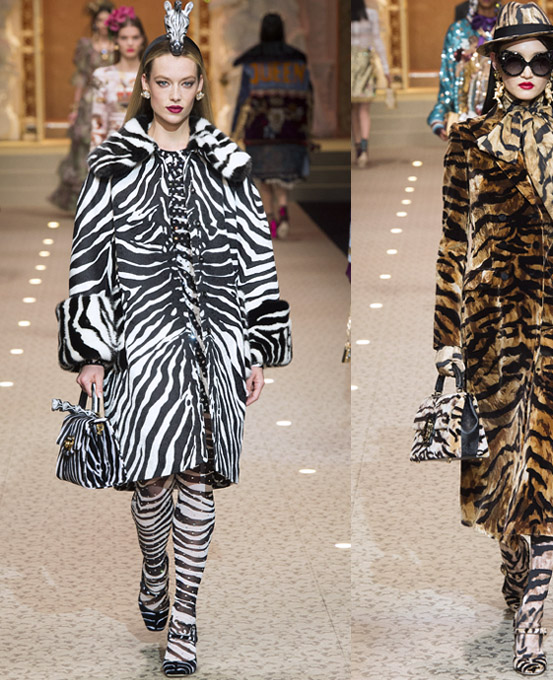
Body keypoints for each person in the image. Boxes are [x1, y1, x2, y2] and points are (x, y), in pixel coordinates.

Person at [56, 2, 292, 675]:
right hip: (142, 343)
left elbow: (255, 255)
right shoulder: (114, 162)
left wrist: (256, 344)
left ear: (199, 87)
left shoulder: (228, 162)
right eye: (163, 82)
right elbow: (88, 257)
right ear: (145, 84)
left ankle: (184, 618)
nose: (175, 95)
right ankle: (155, 566)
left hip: (215, 340)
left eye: (187, 83)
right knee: (150, 484)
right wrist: (91, 351)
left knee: (198, 477)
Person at [433, 3, 553, 675]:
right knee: (499, 467)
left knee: (548, 460)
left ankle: (531, 622)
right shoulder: (470, 140)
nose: (527, 71)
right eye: (514, 58)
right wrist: (444, 339)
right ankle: (514, 564)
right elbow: (451, 244)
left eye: (540, 60)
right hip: (490, 321)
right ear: (495, 64)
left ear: (552, 66)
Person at [231, 12, 312, 240]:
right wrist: (308, 129)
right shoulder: (297, 62)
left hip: (259, 130)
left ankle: (270, 221)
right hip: (291, 130)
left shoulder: (252, 63)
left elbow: (243, 99)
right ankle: (283, 212)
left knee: (263, 177)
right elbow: (309, 97)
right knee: (283, 176)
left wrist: (234, 129)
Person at [48, 2, 114, 212]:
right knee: (84, 145)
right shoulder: (87, 46)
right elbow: (81, 77)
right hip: (90, 102)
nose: (104, 24)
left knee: (109, 145)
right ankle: (83, 198)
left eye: (107, 20)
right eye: (100, 20)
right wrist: (75, 107)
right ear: (94, 22)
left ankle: (107, 198)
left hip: (112, 102)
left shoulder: (120, 44)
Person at [427, 0, 498, 139]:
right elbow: (448, 77)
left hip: (500, 120)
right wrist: (439, 115)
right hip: (465, 118)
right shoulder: (458, 31)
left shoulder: (507, 29)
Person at [90, 6, 147, 149]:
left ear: (142, 40)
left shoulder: (151, 76)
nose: (130, 43)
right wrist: (97, 158)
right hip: (112, 150)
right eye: (124, 38)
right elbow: (98, 123)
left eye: (135, 37)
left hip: (146, 149)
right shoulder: (102, 76)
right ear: (116, 40)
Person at [350, 0, 389, 168]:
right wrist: (386, 69)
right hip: (360, 64)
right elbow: (377, 41)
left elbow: (377, 41)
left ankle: (361, 148)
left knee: (358, 109)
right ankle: (362, 149)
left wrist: (385, 68)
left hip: (361, 65)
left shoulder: (370, 15)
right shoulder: (370, 15)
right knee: (360, 109)